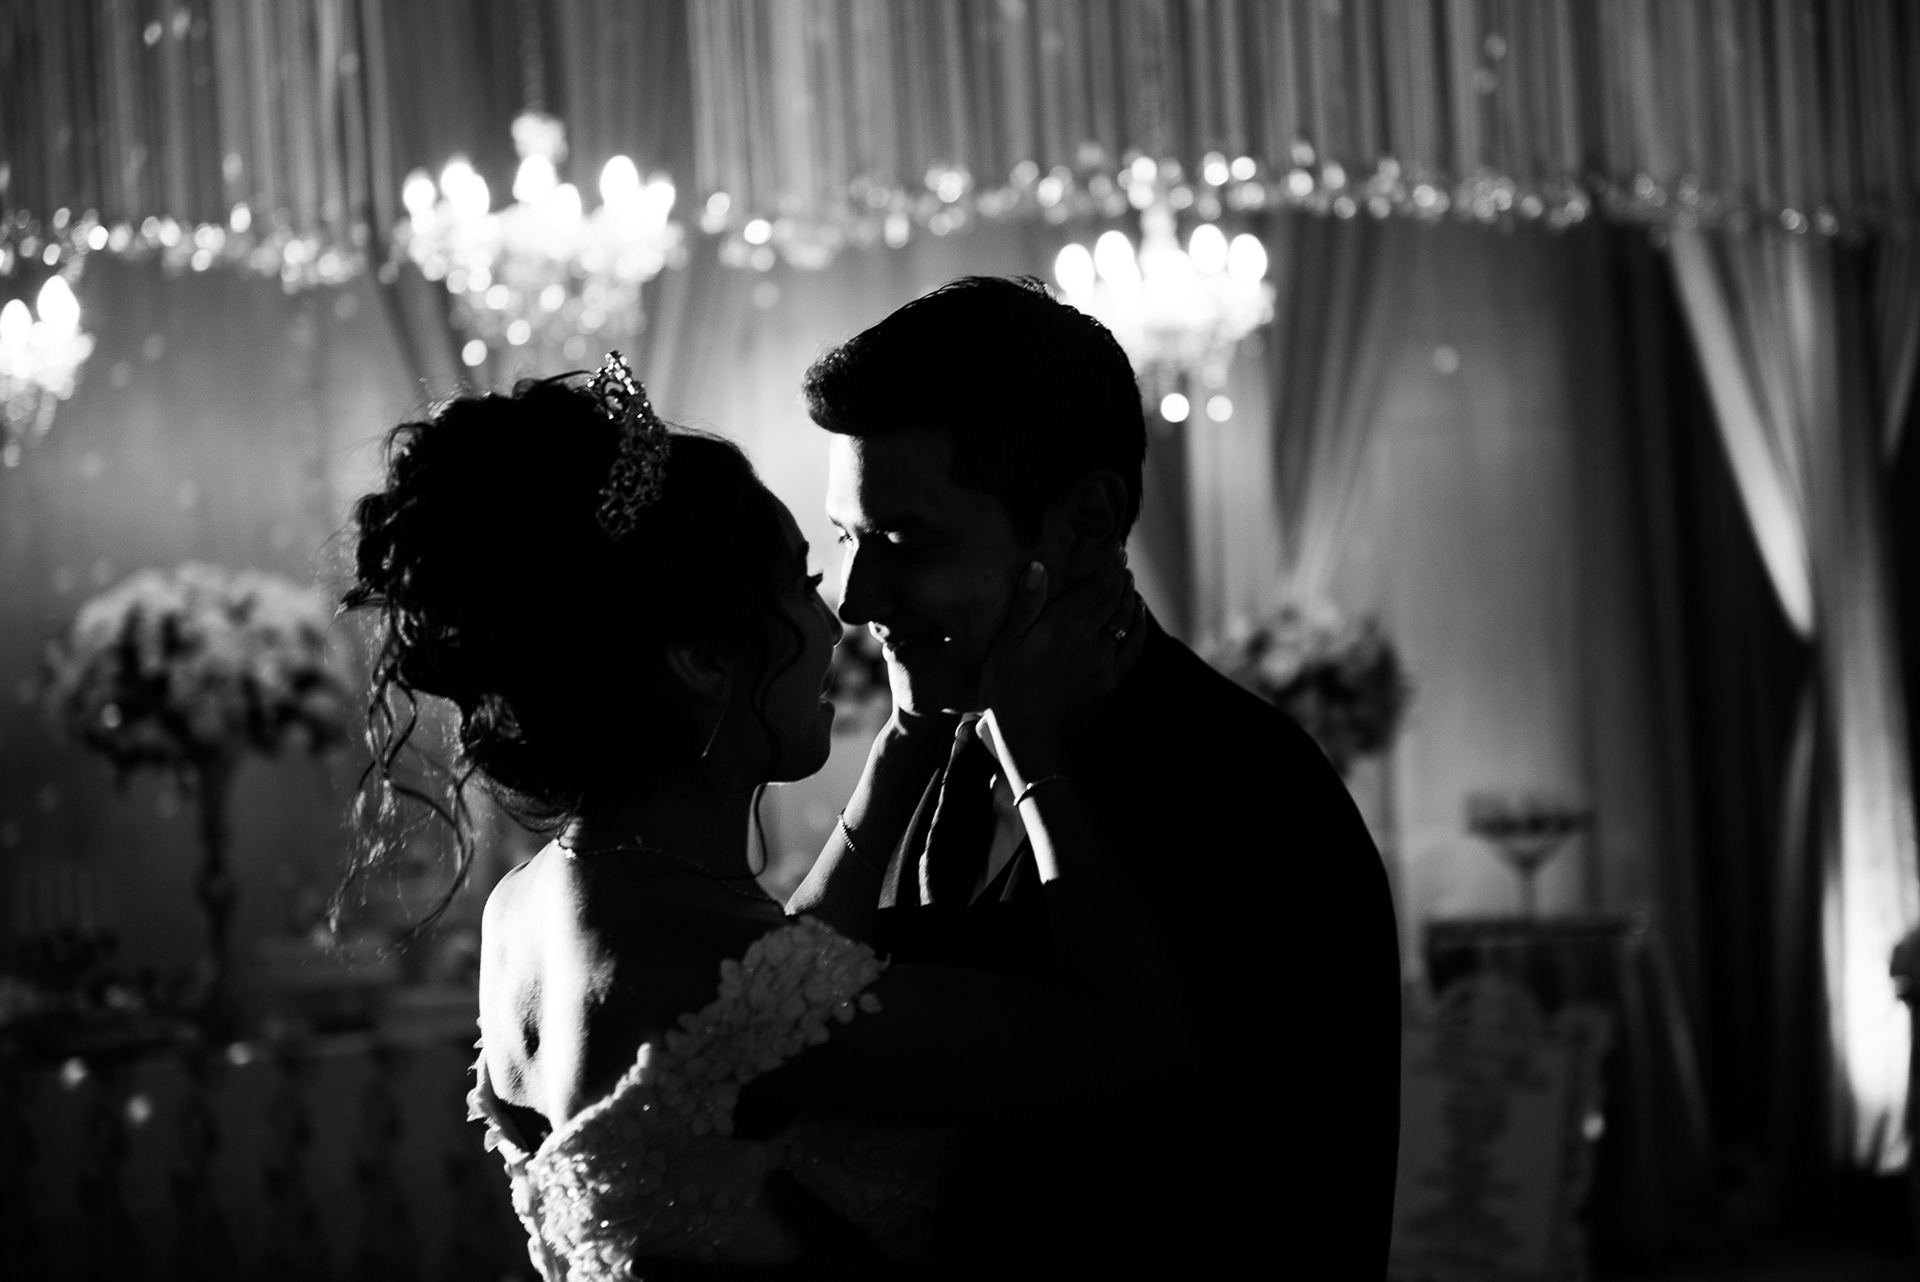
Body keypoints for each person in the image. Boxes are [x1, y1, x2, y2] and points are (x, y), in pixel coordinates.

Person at [341, 356, 1193, 1278]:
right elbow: (1137, 1047)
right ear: (705, 660)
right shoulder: (699, 969)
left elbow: (784, 982)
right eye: (799, 586)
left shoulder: (531, 903)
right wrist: (1031, 744)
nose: (840, 622)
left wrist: (910, 737)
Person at [788, 276, 1402, 1276]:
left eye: (904, 541)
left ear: (1084, 521)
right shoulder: (958, 744)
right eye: (845, 537)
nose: (855, 598)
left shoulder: (1242, 790)